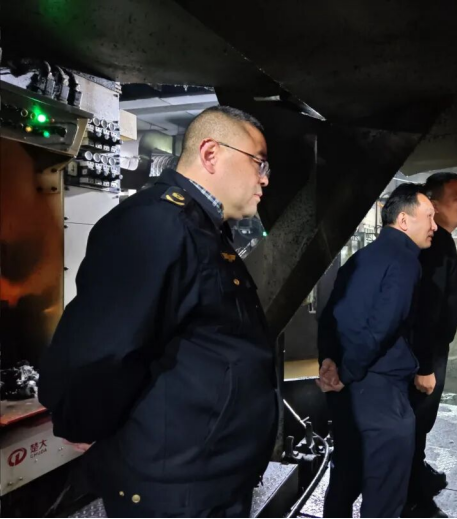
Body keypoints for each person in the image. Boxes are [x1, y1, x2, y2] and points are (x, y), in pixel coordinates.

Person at [39, 106, 278, 518]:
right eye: (259, 162)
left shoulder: (201, 229)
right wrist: (83, 420)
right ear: (211, 154)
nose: (265, 179)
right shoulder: (157, 223)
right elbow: (102, 348)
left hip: (204, 480)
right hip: (173, 490)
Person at [317, 184, 438, 519]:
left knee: (344, 481)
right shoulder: (405, 261)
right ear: (404, 220)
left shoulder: (359, 258)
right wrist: (346, 373)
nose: (434, 226)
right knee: (384, 494)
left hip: (348, 392)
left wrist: (330, 362)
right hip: (379, 394)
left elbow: (328, 317)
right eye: (429, 217)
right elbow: (382, 326)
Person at [403, 173, 457, 519]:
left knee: (422, 420)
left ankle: (418, 469)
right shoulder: (433, 244)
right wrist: (425, 364)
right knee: (416, 419)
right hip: (424, 351)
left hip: (433, 347)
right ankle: (411, 499)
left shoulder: (442, 240)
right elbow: (426, 307)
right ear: (434, 205)